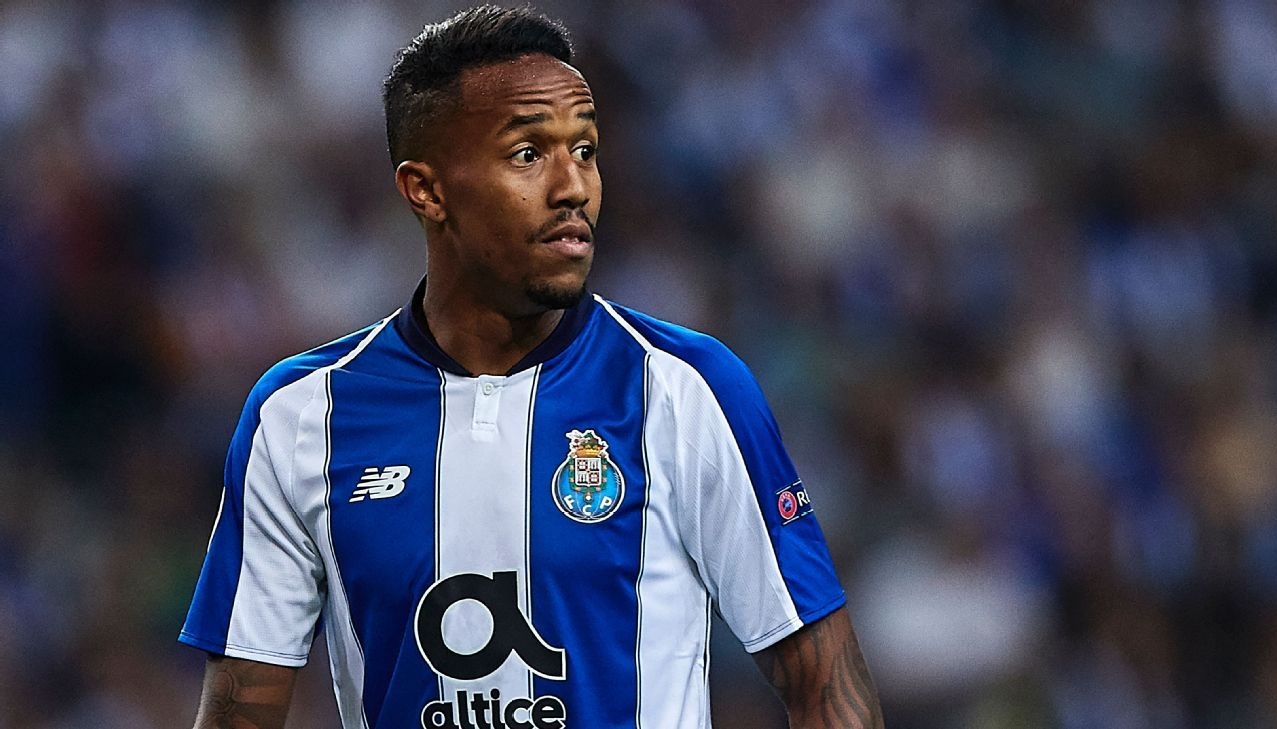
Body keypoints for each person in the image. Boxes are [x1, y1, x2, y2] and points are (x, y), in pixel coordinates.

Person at [181, 5, 884, 728]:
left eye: (585, 149)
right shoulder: (302, 414)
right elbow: (240, 714)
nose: (573, 185)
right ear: (427, 190)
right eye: (527, 154)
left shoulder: (686, 388)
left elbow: (824, 687)